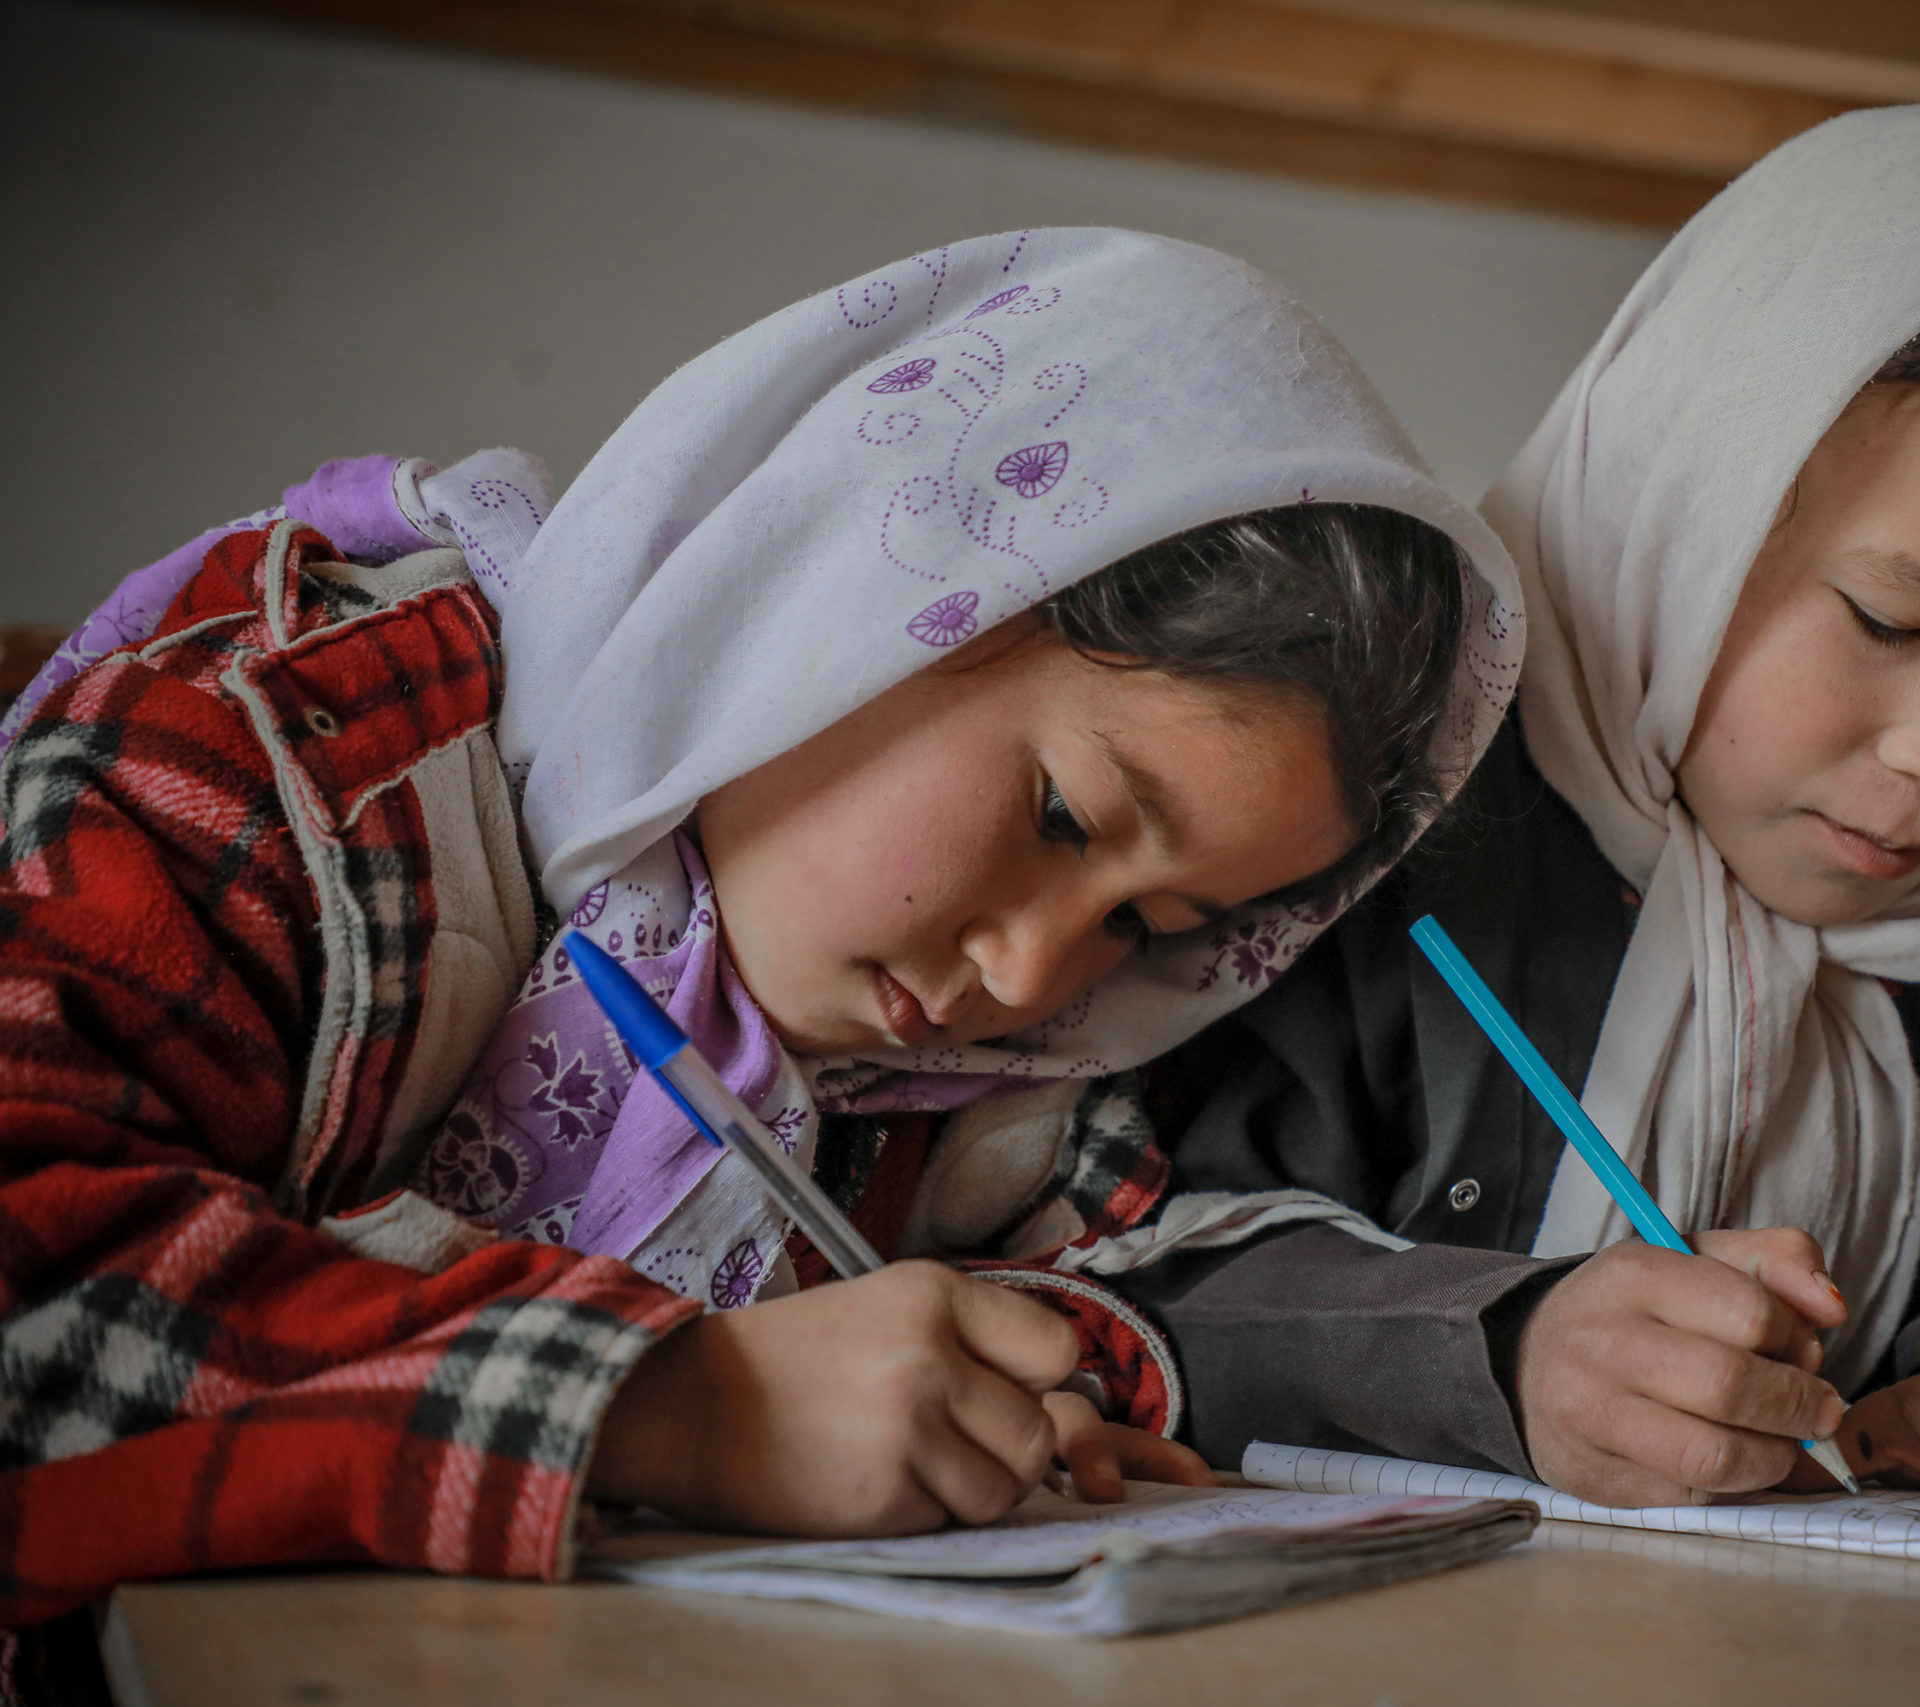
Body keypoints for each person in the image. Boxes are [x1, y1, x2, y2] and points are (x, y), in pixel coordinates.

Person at [0, 228, 1526, 1652]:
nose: (1037, 977)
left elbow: (1099, 1289)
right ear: (855, 582)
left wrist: (991, 1400)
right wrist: (674, 1406)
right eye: (1064, 814)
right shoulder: (276, 759)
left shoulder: (982, 1089)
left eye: (1148, 922)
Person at [1107, 108, 1920, 1573]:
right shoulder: (1384, 810)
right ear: (1675, 508)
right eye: (1890, 619)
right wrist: (1506, 1353)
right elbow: (1138, 1264)